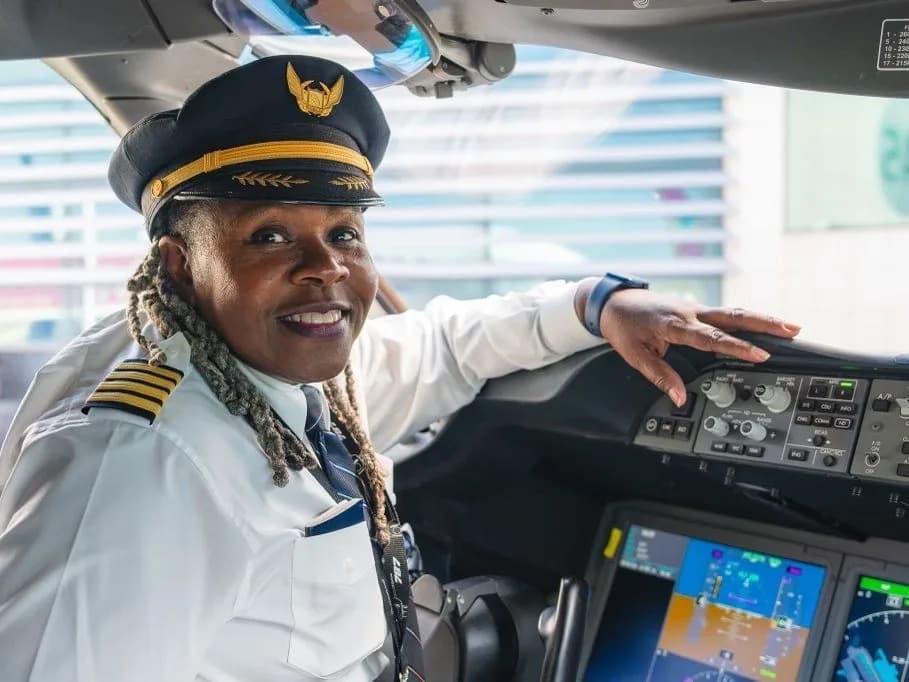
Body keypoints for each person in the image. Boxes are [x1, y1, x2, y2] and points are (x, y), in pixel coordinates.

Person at [0, 55, 799, 682]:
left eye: (344, 233)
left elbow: (441, 346)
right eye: (270, 236)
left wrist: (597, 304)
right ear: (177, 266)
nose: (326, 268)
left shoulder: (275, 374)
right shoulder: (142, 464)